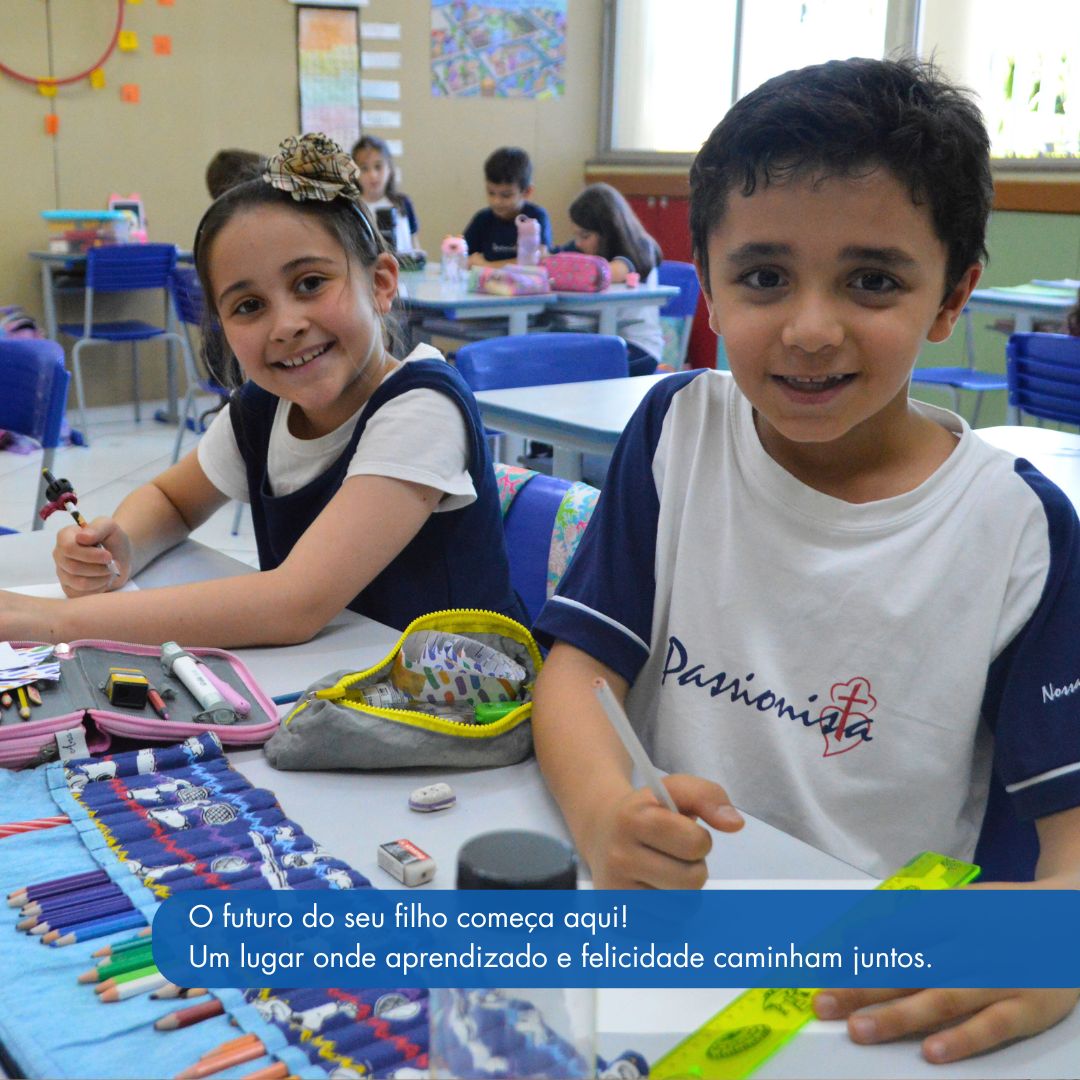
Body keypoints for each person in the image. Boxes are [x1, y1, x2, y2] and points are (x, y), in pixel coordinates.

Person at [531, 57, 1080, 1064]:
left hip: (869, 1001)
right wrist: (605, 808)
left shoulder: (1017, 530)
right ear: (707, 281)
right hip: (659, 941)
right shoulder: (675, 433)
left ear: (953, 297)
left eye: (872, 280)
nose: (811, 329)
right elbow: (578, 670)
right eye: (765, 277)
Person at [0, 134, 523, 648]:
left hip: (465, 708)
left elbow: (294, 605)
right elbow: (173, 501)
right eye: (249, 306)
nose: (286, 325)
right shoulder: (264, 409)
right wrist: (124, 546)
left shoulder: (422, 407)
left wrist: (53, 622)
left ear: (381, 283)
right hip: (342, 689)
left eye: (310, 283)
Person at [560, 183, 664, 375]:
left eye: (585, 235)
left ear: (608, 231)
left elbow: (608, 272)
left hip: (639, 347)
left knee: (570, 370)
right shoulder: (590, 250)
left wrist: (562, 268)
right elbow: (556, 257)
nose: (578, 243)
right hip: (604, 342)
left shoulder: (638, 250)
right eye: (576, 235)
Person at [463, 147, 552, 266]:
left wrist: (488, 266)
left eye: (506, 195)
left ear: (527, 192)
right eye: (491, 193)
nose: (496, 201)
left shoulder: (536, 217)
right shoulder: (482, 219)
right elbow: (464, 258)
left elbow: (538, 260)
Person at [351, 135, 420, 253]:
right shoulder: (352, 208)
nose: (373, 175)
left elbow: (414, 243)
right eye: (364, 168)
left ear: (389, 168)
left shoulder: (402, 203)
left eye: (378, 167)